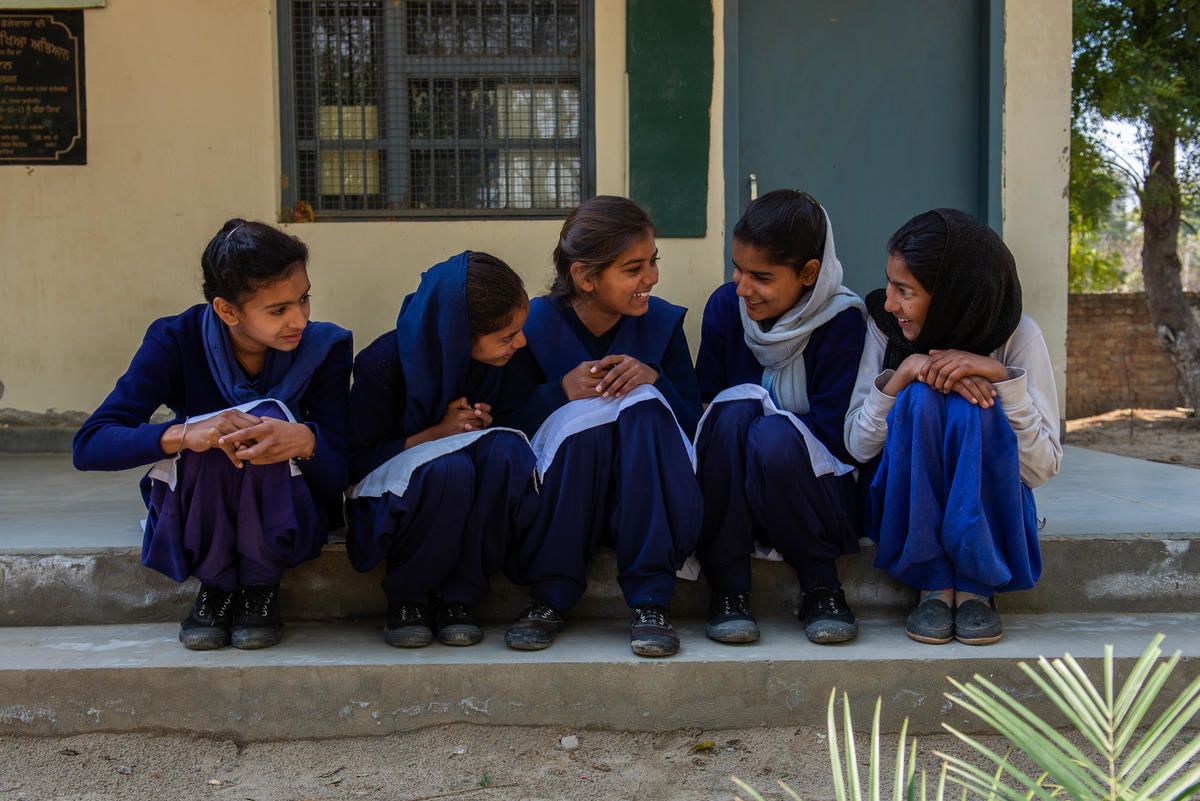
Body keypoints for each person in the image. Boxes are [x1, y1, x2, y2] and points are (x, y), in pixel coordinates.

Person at [73, 219, 352, 650]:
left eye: (304, 299)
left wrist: (307, 440)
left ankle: (260, 585)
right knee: (218, 434)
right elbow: (90, 444)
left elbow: (342, 470)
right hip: (204, 500)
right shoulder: (174, 339)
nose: (299, 319)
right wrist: (185, 433)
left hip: (288, 504)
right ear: (227, 310)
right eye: (278, 310)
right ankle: (217, 584)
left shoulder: (325, 347)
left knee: (260, 420)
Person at [496, 195, 703, 658]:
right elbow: (505, 426)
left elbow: (692, 425)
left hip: (645, 495)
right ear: (585, 277)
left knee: (647, 408)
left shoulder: (663, 325)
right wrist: (557, 394)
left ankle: (650, 597)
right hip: (567, 498)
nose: (651, 277)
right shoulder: (534, 327)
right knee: (580, 425)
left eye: (653, 262)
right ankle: (549, 593)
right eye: (633, 268)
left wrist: (656, 380)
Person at [844, 208, 1061, 645]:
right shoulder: (887, 329)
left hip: (991, 506)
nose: (888, 302)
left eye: (904, 291)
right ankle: (933, 583)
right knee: (923, 396)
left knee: (974, 408)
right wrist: (901, 376)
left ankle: (976, 586)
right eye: (889, 284)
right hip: (904, 506)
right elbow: (857, 446)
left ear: (952, 296)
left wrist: (1004, 381)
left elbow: (1039, 469)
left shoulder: (1017, 335)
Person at [693, 189, 866, 645]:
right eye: (738, 269)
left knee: (770, 433)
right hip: (733, 491)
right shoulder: (725, 307)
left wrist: (765, 428)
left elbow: (836, 437)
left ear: (809, 273)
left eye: (761, 276)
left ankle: (820, 584)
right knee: (730, 415)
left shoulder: (843, 321)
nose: (743, 287)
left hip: (813, 492)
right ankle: (728, 589)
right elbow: (705, 407)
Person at [345, 251, 537, 648]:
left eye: (519, 330)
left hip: (461, 498)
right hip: (390, 497)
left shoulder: (500, 359)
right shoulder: (385, 362)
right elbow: (356, 463)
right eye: (506, 337)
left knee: (505, 450)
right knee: (450, 469)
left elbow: (519, 420)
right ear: (457, 335)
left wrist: (481, 426)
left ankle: (460, 597)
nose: (520, 342)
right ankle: (409, 598)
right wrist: (439, 433)